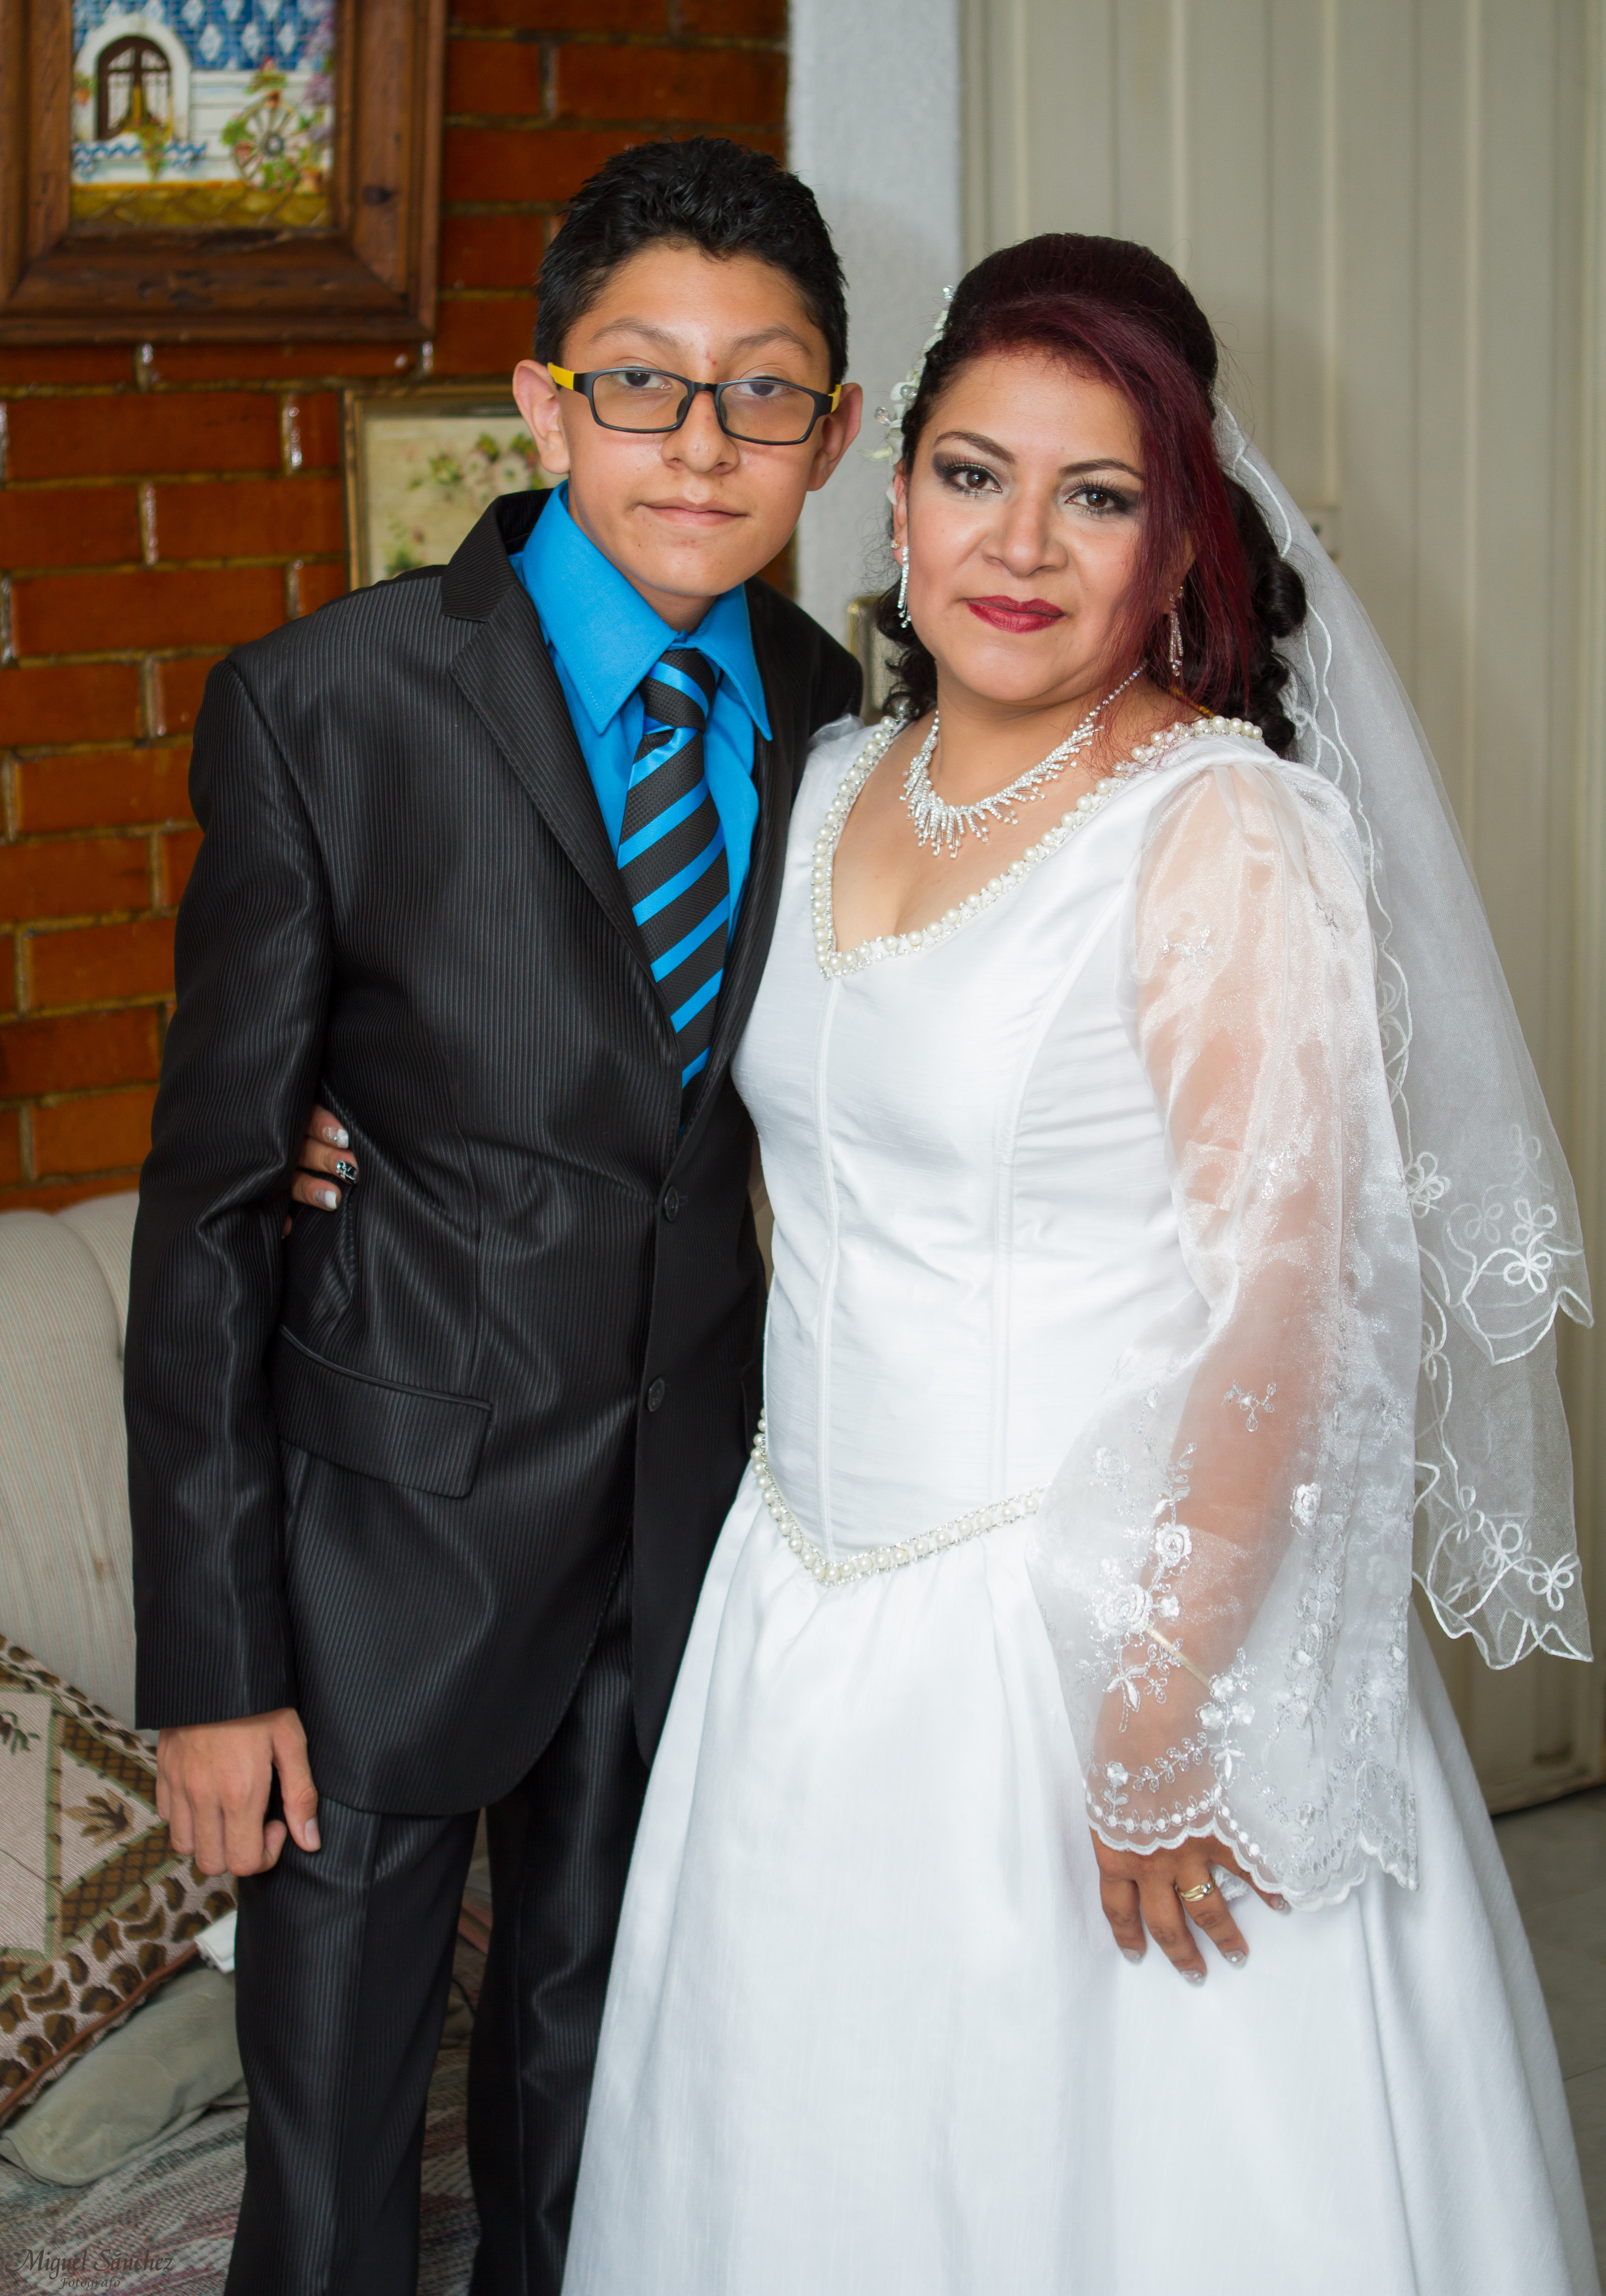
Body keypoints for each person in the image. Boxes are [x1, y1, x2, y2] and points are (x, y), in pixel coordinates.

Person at [558, 236, 1600, 2295]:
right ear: (897, 495)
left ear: (1178, 541)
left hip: (1100, 1645)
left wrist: (1159, 1714)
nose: (1019, 544)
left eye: (1096, 496)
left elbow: (1294, 1306)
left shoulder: (1221, 830)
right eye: (973, 475)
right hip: (805, 1618)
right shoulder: (827, 779)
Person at [123, 136, 863, 2295]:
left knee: (602, 2112)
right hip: (382, 1551)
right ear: (545, 404)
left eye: (762, 391)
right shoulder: (327, 709)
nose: (700, 443)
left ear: (829, 433)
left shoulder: (834, 723)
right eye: (642, 380)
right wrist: (212, 1669)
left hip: (685, 1538)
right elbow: (210, 1210)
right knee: (335, 2157)